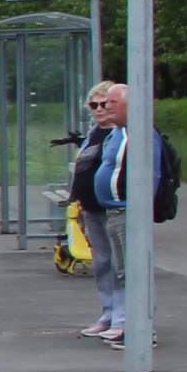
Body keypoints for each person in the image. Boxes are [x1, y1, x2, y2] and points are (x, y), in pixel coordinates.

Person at [70, 79, 130, 342]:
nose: (99, 109)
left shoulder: (122, 133)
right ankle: (108, 312)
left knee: (120, 264)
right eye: (93, 104)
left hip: (113, 208)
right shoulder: (94, 133)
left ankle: (122, 317)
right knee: (102, 262)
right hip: (91, 207)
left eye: (105, 103)